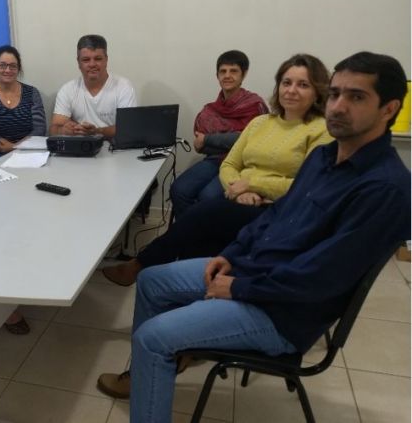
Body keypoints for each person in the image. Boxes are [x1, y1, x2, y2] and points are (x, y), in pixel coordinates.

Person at [97, 52, 410, 422]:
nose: (338, 106)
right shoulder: (324, 157)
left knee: (153, 337)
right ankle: (147, 374)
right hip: (255, 271)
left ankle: (158, 359)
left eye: (356, 97)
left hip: (284, 312)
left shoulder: (386, 188)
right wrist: (232, 253)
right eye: (337, 93)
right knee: (151, 280)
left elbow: (322, 277)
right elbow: (277, 213)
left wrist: (238, 287)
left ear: (389, 108)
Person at [103, 54, 333, 287]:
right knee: (197, 216)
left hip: (278, 207)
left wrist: (253, 184)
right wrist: (238, 188)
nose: (292, 90)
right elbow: (229, 164)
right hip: (240, 196)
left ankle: (143, 265)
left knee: (205, 212)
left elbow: (309, 185)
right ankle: (189, 280)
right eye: (286, 82)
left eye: (303, 85)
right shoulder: (261, 122)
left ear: (318, 91)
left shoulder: (321, 130)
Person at [170, 50, 268, 217]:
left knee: (207, 196)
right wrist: (215, 142)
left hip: (244, 164)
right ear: (217, 76)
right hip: (215, 160)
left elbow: (247, 141)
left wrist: (209, 139)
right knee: (179, 189)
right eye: (223, 71)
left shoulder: (254, 105)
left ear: (243, 74)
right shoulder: (210, 110)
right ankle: (189, 235)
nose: (227, 76)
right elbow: (200, 147)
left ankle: (207, 238)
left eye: (233, 71)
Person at [50, 34, 137, 139]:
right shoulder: (67, 90)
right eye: (86, 60)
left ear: (106, 60)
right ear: (78, 63)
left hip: (115, 148)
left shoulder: (123, 87)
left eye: (98, 59)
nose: (92, 64)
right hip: (80, 150)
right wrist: (65, 130)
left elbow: (128, 129)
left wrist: (96, 131)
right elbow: (54, 129)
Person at [0, 45, 47, 164]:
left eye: (13, 66)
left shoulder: (32, 93)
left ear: (18, 69)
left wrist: (16, 147)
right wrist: (8, 148)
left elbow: (40, 129)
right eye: (3, 65)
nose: (8, 70)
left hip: (28, 151)